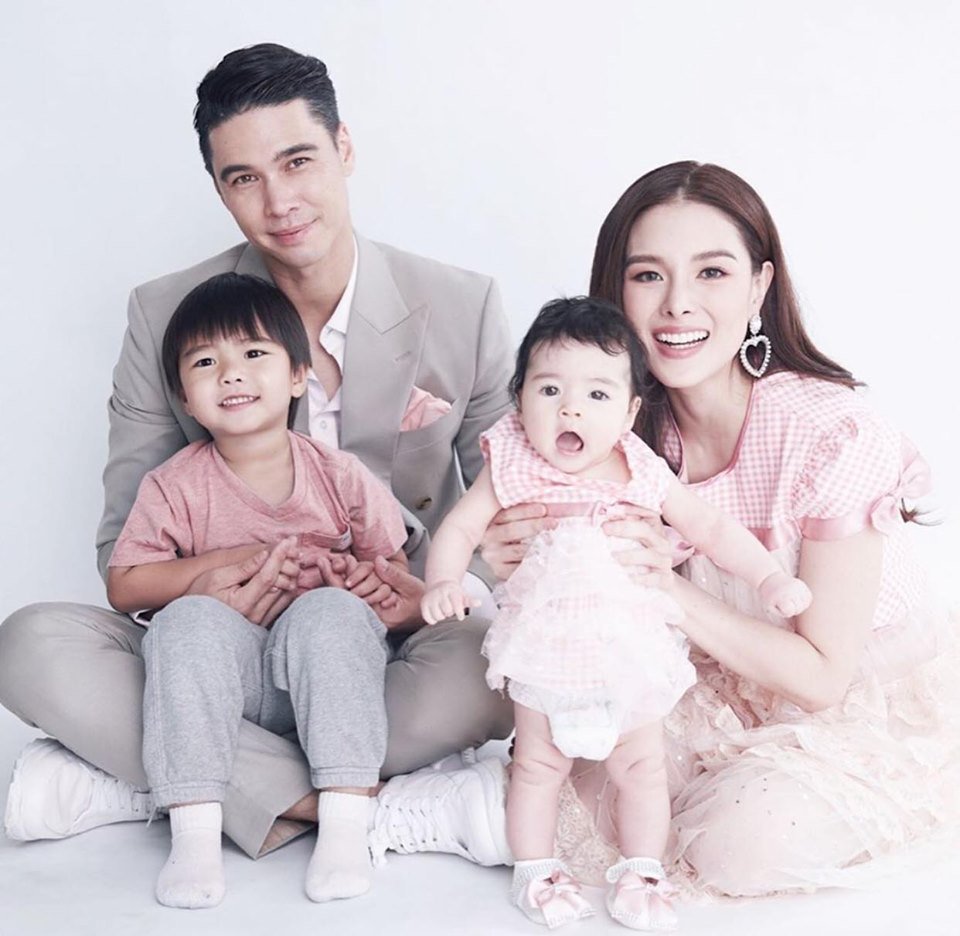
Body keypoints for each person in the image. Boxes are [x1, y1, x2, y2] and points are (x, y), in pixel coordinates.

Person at [369, 161, 960, 903]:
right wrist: (504, 554)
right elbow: (554, 560)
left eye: (712, 272)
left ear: (759, 288)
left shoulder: (830, 432)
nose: (678, 304)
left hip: (852, 701)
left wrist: (668, 592)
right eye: (648, 275)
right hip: (708, 679)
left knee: (743, 845)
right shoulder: (613, 431)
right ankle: (459, 809)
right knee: (583, 776)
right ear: (615, 295)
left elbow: (822, 679)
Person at [0, 43, 514, 860]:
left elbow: (512, 512)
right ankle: (359, 807)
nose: (279, 202)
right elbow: (122, 547)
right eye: (243, 178)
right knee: (29, 646)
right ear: (219, 189)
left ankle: (158, 784)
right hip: (218, 650)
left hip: (397, 645)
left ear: (344, 148)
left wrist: (432, 595)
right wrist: (208, 581)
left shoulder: (463, 304)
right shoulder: (166, 314)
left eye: (298, 161)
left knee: (502, 661)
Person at [421, 296, 810, 929]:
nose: (570, 409)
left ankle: (642, 870)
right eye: (550, 389)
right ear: (519, 401)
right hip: (546, 653)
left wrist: (769, 577)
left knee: (641, 768)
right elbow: (462, 527)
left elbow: (710, 527)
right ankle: (535, 870)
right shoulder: (513, 462)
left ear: (630, 411)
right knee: (537, 767)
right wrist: (444, 579)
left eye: (597, 394)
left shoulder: (640, 468)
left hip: (627, 651)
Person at [108, 271, 415, 908]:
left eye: (253, 353)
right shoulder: (175, 485)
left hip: (332, 682)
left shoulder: (339, 475)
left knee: (330, 612)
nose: (231, 374)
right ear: (185, 398)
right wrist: (215, 571)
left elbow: (393, 570)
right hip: (233, 687)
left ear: (299, 375)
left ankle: (344, 822)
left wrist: (366, 585)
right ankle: (194, 833)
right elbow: (125, 583)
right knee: (184, 622)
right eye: (205, 362)